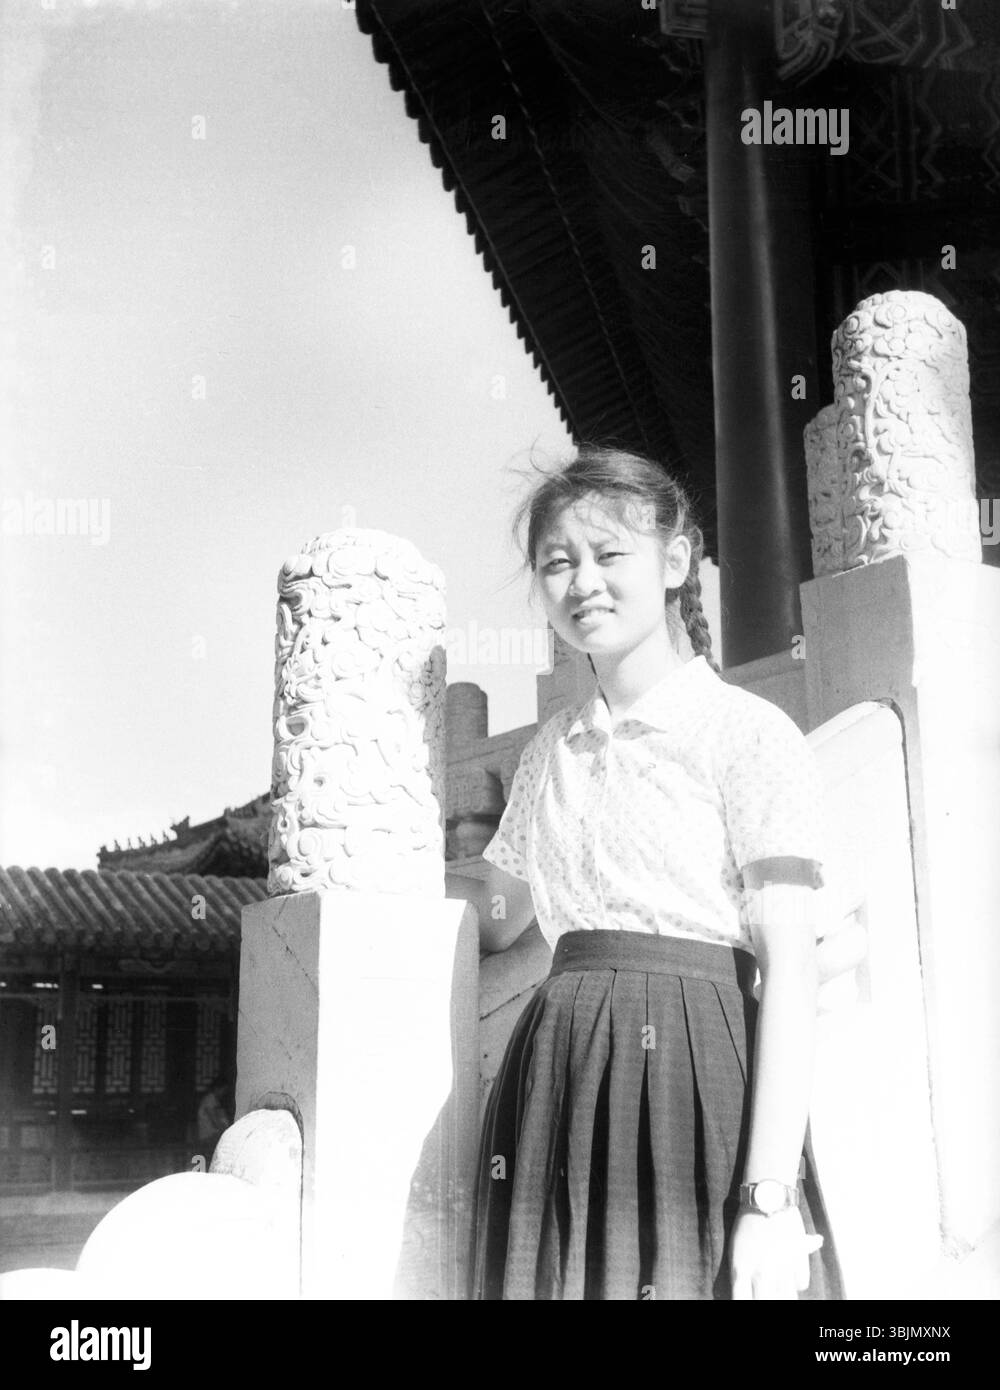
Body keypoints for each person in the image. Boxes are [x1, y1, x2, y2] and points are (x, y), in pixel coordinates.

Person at [445, 446, 845, 1301]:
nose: (581, 581)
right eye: (558, 563)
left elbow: (793, 965)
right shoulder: (551, 749)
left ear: (675, 561)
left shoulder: (746, 733)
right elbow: (502, 909)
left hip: (694, 1070)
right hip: (559, 1073)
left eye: (606, 554)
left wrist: (769, 1196)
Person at [196, 1076, 230, 1163]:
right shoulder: (209, 1100)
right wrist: (226, 1132)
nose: (223, 1093)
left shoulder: (214, 1100)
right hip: (209, 1136)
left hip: (213, 1135)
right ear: (217, 1088)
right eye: (223, 1090)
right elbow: (214, 1120)